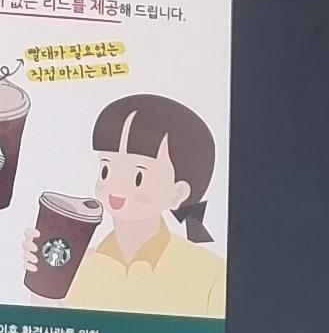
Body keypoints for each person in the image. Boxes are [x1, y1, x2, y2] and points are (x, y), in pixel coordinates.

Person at [65, 90, 225, 316]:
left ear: (178, 193)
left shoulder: (212, 274)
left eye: (138, 176)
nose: (115, 186)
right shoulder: (80, 265)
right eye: (106, 169)